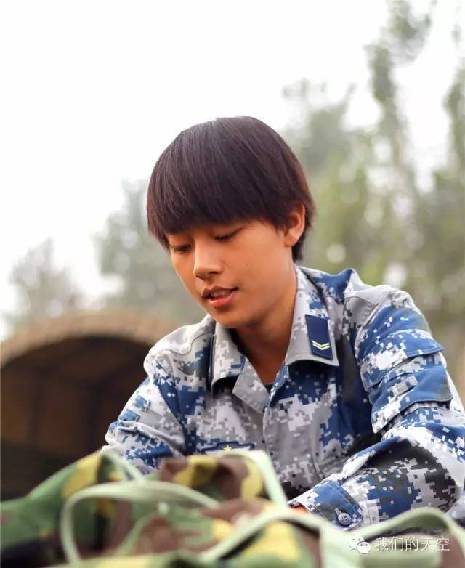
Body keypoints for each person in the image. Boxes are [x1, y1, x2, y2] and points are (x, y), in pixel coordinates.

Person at [105, 116, 465, 529]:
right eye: (181, 247)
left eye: (225, 235)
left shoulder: (373, 323)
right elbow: (111, 490)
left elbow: (440, 449)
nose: (202, 265)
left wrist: (287, 525)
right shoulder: (179, 372)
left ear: (291, 222)